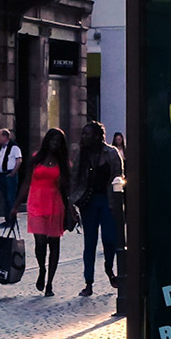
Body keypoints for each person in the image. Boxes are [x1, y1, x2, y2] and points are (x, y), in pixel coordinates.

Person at [71, 121, 125, 296]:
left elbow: (119, 177)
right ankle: (88, 282)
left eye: (88, 134)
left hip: (108, 201)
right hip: (89, 202)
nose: (84, 137)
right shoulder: (83, 154)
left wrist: (119, 201)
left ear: (97, 136)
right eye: (83, 134)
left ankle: (109, 269)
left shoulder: (111, 153)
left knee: (110, 239)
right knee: (90, 243)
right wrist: (71, 202)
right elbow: (75, 179)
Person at [21, 127, 72, 296]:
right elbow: (27, 182)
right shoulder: (36, 159)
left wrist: (71, 207)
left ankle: (50, 283)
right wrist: (15, 206)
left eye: (58, 142)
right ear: (47, 141)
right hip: (36, 202)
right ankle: (42, 268)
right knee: (40, 242)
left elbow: (67, 189)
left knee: (54, 244)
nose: (54, 144)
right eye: (52, 140)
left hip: (55, 204)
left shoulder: (64, 163)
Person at [0, 128, 23, 224]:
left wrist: (13, 172)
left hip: (9, 175)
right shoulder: (1, 148)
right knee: (5, 198)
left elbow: (19, 160)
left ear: (5, 137)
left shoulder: (14, 147)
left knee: (10, 197)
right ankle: (7, 219)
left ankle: (12, 219)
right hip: (2, 175)